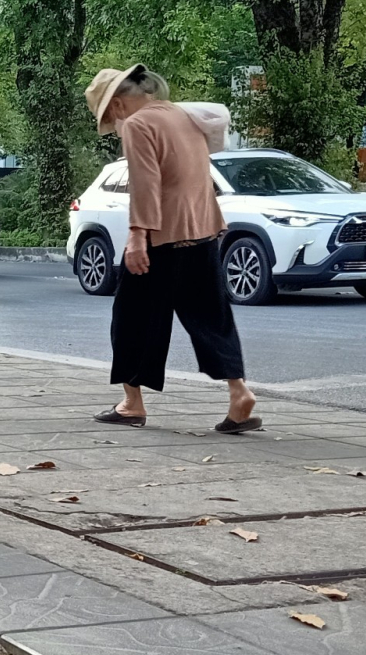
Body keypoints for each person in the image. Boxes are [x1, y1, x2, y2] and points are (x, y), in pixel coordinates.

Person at [84, 64, 259, 433]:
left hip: (163, 235)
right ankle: (238, 392)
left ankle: (132, 403)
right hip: (205, 228)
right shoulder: (181, 115)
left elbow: (146, 184)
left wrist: (136, 236)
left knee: (131, 317)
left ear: (116, 105)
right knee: (211, 316)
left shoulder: (136, 125)